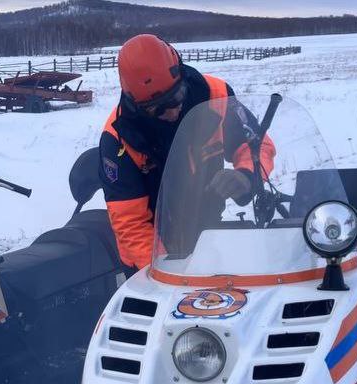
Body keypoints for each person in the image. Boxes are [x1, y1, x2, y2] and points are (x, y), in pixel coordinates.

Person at [99, 34, 276, 274]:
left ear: (182, 75)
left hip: (207, 236)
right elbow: (131, 224)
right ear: (136, 104)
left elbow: (257, 145)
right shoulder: (119, 138)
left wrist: (245, 175)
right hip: (148, 256)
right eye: (158, 109)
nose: (172, 112)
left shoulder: (216, 96)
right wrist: (165, 271)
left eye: (177, 97)